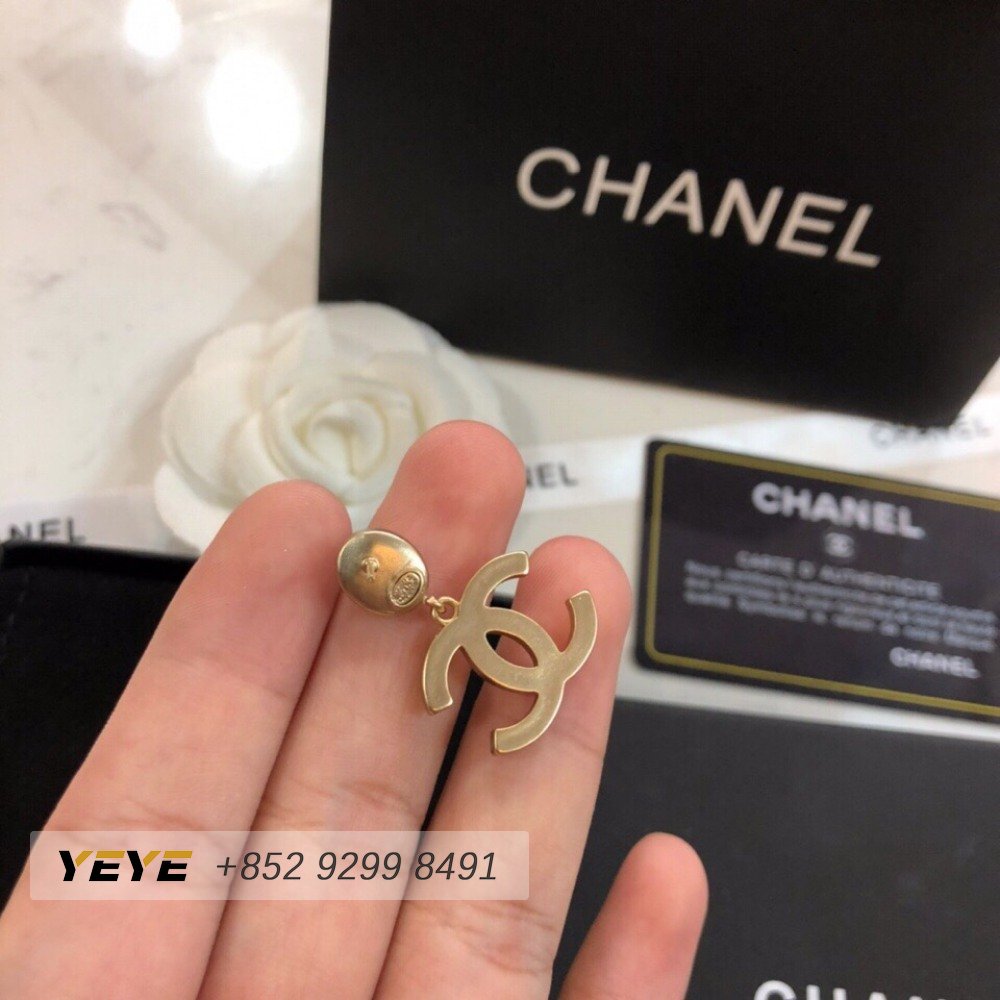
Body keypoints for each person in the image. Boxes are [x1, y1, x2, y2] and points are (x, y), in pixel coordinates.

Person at [0, 421, 707, 998]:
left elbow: (501, 623)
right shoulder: (444, 630)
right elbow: (453, 667)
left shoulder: (459, 624)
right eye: (377, 575)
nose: (381, 578)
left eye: (384, 573)